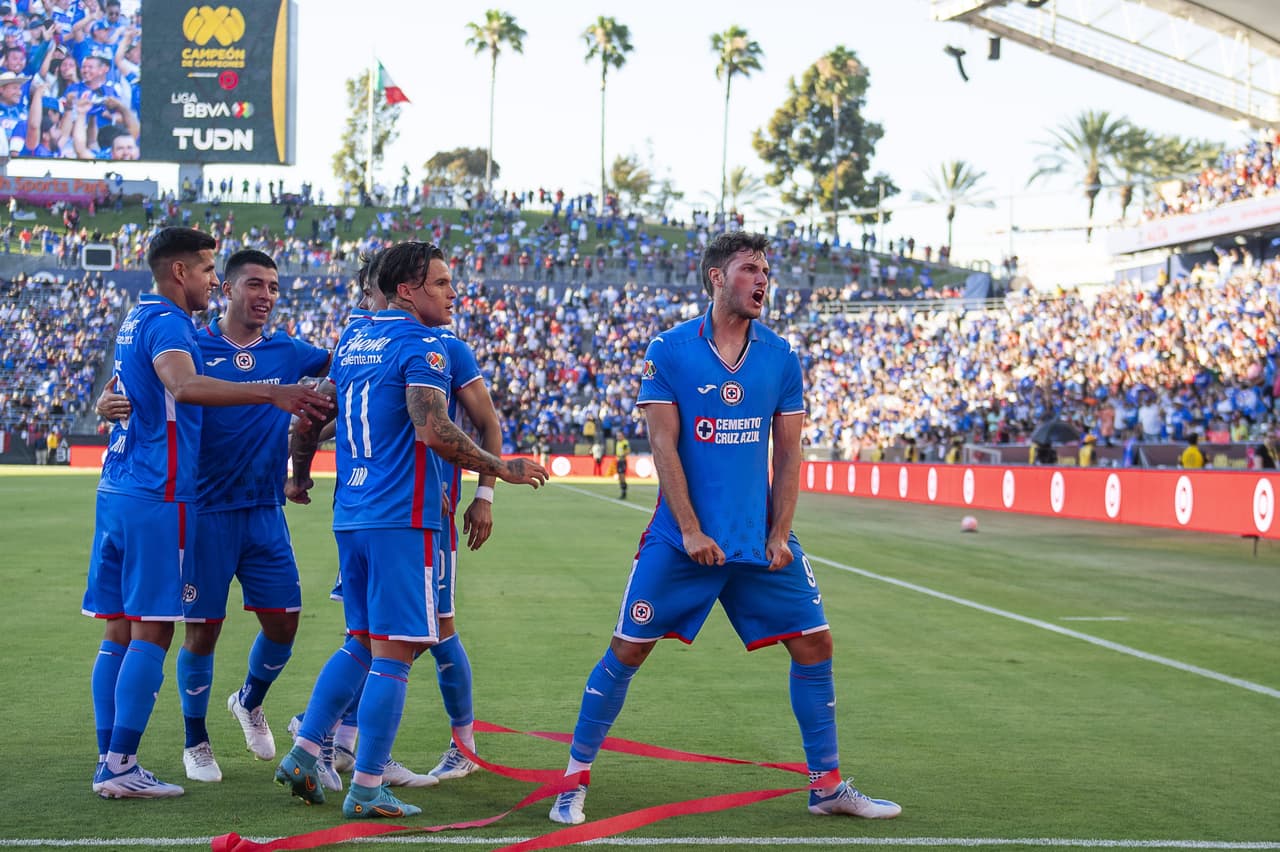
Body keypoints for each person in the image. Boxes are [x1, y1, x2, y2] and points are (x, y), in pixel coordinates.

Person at [548, 231, 900, 826]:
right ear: (716, 277)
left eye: (766, 270)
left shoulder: (780, 356)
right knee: (627, 650)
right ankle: (573, 780)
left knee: (815, 643)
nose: (762, 280)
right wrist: (688, 530)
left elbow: (789, 455)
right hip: (680, 540)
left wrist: (781, 533)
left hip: (758, 541)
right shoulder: (670, 350)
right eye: (749, 269)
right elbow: (663, 446)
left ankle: (828, 786)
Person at [275, 241, 547, 820]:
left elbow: (308, 420)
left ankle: (304, 751)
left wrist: (298, 478)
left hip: (352, 515)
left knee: (363, 640)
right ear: (408, 290)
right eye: (443, 283)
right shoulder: (426, 345)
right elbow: (434, 429)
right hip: (406, 517)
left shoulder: (352, 339)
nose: (454, 293)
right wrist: (505, 471)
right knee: (397, 655)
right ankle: (368, 784)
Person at [83, 227, 331, 799]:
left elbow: (342, 376)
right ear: (220, 288)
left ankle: (244, 704)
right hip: (187, 504)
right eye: (246, 282)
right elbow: (176, 384)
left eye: (273, 286)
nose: (262, 293)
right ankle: (184, 742)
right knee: (185, 631)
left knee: (283, 620)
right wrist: (274, 394)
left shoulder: (287, 349)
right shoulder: (185, 336)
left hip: (252, 506)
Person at [615, 433, 630, 499]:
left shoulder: (624, 443)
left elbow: (627, 451)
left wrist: (622, 456)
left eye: (619, 436)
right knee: (620, 476)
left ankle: (624, 492)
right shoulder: (618, 442)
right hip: (619, 461)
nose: (618, 437)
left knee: (622, 476)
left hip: (622, 461)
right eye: (617, 436)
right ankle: (622, 490)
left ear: (623, 436)